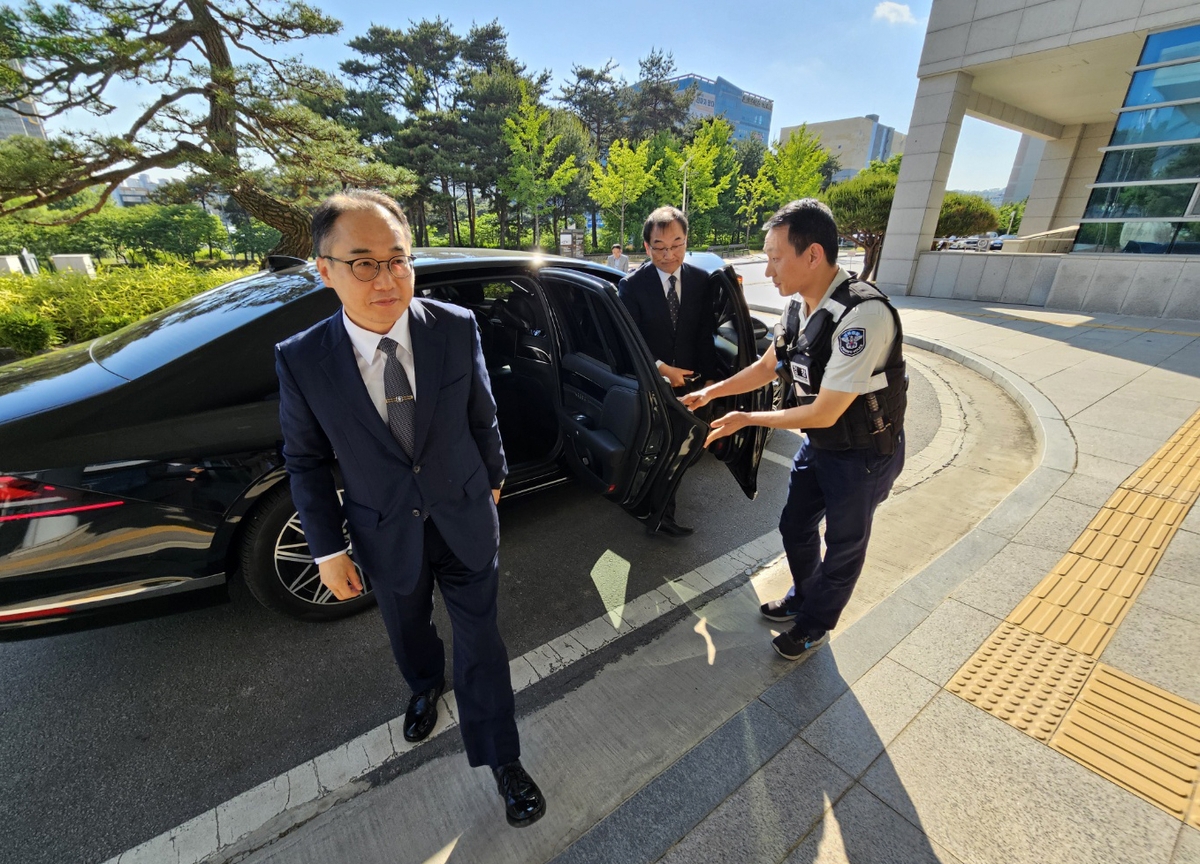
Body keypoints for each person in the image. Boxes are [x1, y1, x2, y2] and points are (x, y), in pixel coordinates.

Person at [274, 190, 545, 828]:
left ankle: (503, 759)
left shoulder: (452, 326)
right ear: (325, 269)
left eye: (398, 259)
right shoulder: (302, 358)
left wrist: (494, 479)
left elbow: (483, 412)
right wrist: (327, 547)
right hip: (382, 528)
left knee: (481, 639)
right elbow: (306, 460)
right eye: (364, 263)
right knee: (408, 626)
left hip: (465, 517)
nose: (386, 278)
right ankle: (425, 685)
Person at [683, 199, 906, 661]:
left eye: (775, 257)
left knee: (843, 546)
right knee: (794, 526)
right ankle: (807, 596)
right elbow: (770, 366)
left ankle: (816, 624)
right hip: (822, 447)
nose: (768, 270)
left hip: (863, 455)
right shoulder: (799, 308)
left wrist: (746, 419)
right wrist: (713, 393)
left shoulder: (862, 317)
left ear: (813, 255)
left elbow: (825, 411)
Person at [618, 206, 718, 537]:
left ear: (686, 241)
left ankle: (660, 508)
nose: (669, 254)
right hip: (652, 383)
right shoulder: (632, 286)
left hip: (692, 384)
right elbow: (629, 340)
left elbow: (705, 335)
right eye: (660, 246)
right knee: (662, 448)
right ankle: (660, 514)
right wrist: (662, 369)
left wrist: (712, 379)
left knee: (685, 449)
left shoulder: (701, 281)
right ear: (647, 247)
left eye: (677, 244)